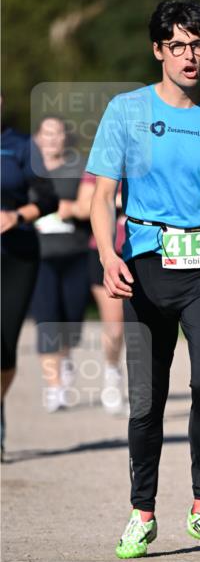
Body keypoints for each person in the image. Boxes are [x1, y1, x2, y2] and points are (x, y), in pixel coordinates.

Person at [87, 0, 200, 559]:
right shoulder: (126, 111)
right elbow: (102, 194)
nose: (190, 56)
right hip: (145, 266)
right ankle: (142, 512)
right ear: (158, 50)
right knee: (147, 399)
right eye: (178, 45)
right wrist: (107, 254)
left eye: (198, 45)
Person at [1, 106, 59, 459]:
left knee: (5, 346)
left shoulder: (22, 146)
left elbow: (48, 198)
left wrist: (17, 215)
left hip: (16, 257)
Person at [30, 115, 91, 413]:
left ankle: (65, 358)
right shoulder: (27, 168)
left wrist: (72, 209)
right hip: (37, 256)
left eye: (57, 133)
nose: (52, 139)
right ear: (37, 138)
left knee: (71, 318)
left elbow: (91, 205)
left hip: (75, 252)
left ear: (66, 137)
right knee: (46, 317)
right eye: (47, 133)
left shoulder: (79, 167)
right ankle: (54, 386)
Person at [78, 171, 126, 414]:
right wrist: (119, 200)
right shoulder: (102, 161)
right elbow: (83, 206)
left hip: (148, 252)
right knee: (115, 329)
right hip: (107, 256)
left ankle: (142, 387)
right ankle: (112, 372)